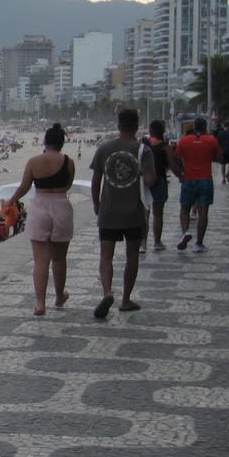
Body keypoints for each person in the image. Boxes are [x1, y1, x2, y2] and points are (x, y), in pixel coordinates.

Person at [90, 108, 155, 318]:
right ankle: (126, 300)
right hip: (134, 213)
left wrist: (96, 204)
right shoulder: (143, 151)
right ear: (136, 127)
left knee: (106, 256)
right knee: (132, 255)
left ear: (118, 125)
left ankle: (108, 292)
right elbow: (150, 181)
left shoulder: (104, 148)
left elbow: (95, 181)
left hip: (109, 211)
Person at [6, 123, 75, 316]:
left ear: (45, 142)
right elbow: (67, 185)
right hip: (61, 205)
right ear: (62, 143)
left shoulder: (34, 162)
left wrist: (11, 200)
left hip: (40, 207)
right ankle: (59, 295)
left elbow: (24, 187)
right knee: (59, 258)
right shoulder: (69, 162)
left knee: (40, 260)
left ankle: (40, 304)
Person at [172, 116, 222, 253]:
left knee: (184, 209)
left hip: (188, 179)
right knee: (203, 212)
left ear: (194, 127)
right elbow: (219, 157)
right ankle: (199, 243)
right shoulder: (211, 140)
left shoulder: (184, 141)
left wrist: (180, 174)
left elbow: (175, 158)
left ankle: (185, 232)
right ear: (205, 127)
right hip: (205, 179)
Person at [143, 120, 174, 252]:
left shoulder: (144, 144)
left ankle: (142, 244)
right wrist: (181, 176)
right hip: (159, 180)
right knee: (158, 214)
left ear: (150, 130)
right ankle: (157, 242)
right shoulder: (165, 147)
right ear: (163, 131)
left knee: (144, 214)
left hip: (144, 181)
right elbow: (172, 164)